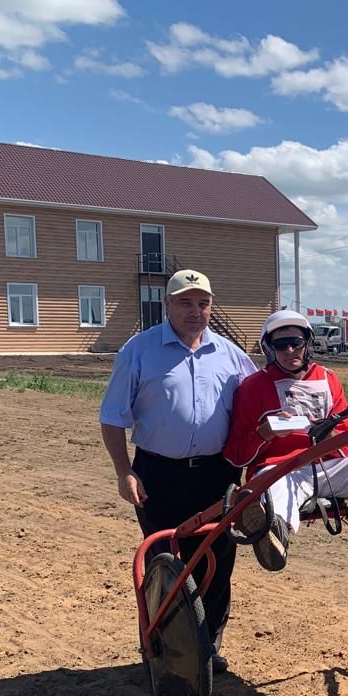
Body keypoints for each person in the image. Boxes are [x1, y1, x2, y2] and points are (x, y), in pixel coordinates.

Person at [99, 269, 256, 673]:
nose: (195, 311)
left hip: (216, 475)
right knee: (164, 561)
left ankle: (209, 646)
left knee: (217, 561)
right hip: (158, 475)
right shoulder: (139, 351)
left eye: (202, 303)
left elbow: (256, 412)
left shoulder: (232, 355)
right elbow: (113, 418)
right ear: (167, 305)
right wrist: (124, 473)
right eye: (185, 302)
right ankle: (165, 645)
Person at [224, 310, 348, 571]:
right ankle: (272, 532)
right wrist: (264, 434)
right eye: (281, 345)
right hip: (280, 471)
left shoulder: (329, 379)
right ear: (269, 348)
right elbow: (234, 455)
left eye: (296, 343)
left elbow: (345, 442)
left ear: (307, 344)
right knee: (274, 488)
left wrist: (330, 436)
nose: (289, 350)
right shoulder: (252, 388)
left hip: (328, 469)